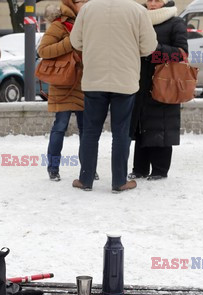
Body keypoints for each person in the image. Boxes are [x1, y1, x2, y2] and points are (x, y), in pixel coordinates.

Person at [69, 0, 157, 192]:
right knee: (121, 132)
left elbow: (75, 41)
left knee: (91, 131)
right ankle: (119, 181)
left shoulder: (87, 9)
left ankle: (86, 179)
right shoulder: (137, 10)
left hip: (94, 79)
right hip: (124, 79)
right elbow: (149, 46)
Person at [129, 0, 188, 181]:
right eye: (149, 0)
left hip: (165, 83)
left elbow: (181, 54)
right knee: (140, 125)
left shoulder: (175, 22)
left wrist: (154, 51)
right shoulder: (138, 19)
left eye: (156, 0)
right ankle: (139, 168)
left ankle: (160, 170)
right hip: (138, 81)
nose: (152, 4)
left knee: (162, 125)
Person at [37, 0, 87, 181]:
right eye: (82, 1)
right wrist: (69, 42)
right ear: (72, 4)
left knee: (86, 130)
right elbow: (43, 50)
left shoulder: (91, 22)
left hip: (84, 83)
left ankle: (88, 168)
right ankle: (53, 167)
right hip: (63, 84)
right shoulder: (60, 24)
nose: (86, 3)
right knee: (60, 127)